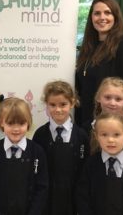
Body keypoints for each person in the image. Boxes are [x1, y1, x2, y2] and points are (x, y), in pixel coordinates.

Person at [75, 0, 123, 163]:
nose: (102, 17)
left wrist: (116, 128)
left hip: (114, 129)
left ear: (116, 17)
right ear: (91, 17)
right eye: (97, 13)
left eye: (108, 13)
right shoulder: (87, 48)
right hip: (88, 125)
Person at [0, 97, 48, 215]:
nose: (16, 129)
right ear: (1, 122)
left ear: (28, 123)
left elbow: (42, 188)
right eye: (10, 123)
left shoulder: (37, 152)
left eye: (21, 123)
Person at [33, 80, 89, 215]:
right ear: (46, 104)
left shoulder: (81, 136)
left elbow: (85, 171)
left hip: (73, 200)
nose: (58, 109)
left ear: (72, 103)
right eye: (52, 105)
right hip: (47, 200)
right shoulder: (40, 135)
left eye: (63, 104)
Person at [76, 112, 123, 215]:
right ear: (96, 136)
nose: (110, 140)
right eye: (104, 134)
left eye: (117, 134)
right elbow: (82, 197)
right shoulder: (90, 165)